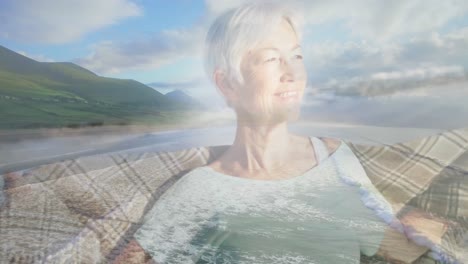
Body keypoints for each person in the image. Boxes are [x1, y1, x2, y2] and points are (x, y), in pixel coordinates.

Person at [131, 2, 452, 263]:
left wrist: (428, 227)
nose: (292, 72)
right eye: (271, 58)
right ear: (227, 83)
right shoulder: (201, 190)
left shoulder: (334, 156)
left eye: (297, 56)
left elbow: (390, 247)